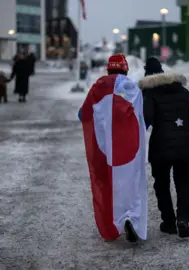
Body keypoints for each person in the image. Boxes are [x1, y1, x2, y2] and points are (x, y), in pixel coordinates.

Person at [138, 57, 189, 238]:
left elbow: (145, 121)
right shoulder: (183, 91)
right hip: (184, 146)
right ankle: (183, 219)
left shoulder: (150, 94)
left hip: (160, 148)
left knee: (162, 184)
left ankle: (169, 222)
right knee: (184, 183)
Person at [78, 54, 148, 243]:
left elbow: (82, 114)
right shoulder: (132, 88)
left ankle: (116, 222)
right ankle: (131, 218)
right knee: (132, 186)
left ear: (108, 69)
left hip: (106, 149)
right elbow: (144, 117)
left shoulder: (98, 88)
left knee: (109, 186)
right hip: (129, 149)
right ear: (125, 69)